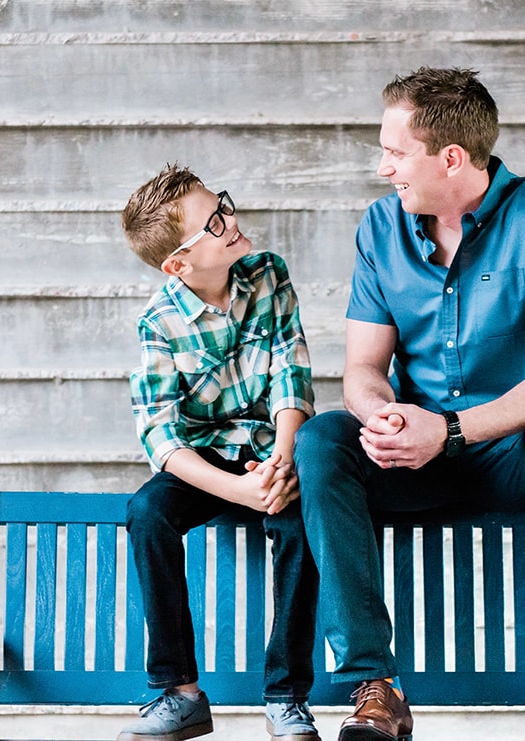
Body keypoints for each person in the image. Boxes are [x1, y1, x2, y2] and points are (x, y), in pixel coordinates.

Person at [294, 67, 525, 741]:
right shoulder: (380, 228)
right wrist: (385, 414)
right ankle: (375, 686)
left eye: (395, 152)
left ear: (451, 158)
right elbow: (362, 368)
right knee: (322, 439)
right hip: (414, 457)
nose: (384, 169)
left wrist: (453, 429)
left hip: (508, 453)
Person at [118, 163, 321, 741]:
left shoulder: (268, 275)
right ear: (178, 264)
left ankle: (286, 697)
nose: (230, 220)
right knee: (147, 513)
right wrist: (234, 489)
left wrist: (281, 461)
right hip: (207, 462)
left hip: (271, 446)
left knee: (301, 519)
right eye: (213, 221)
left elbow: (291, 372)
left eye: (223, 205)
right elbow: (160, 434)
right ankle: (179, 692)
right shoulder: (159, 321)